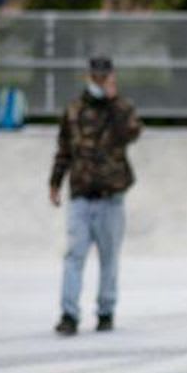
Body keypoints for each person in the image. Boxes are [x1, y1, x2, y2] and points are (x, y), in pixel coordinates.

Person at [50, 57, 142, 336]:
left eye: (106, 78)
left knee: (109, 257)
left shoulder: (123, 108)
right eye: (97, 78)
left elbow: (132, 133)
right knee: (74, 255)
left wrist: (112, 103)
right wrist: (55, 183)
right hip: (80, 194)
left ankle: (105, 311)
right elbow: (64, 150)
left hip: (111, 196)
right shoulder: (74, 110)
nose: (101, 83)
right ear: (89, 77)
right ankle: (69, 313)